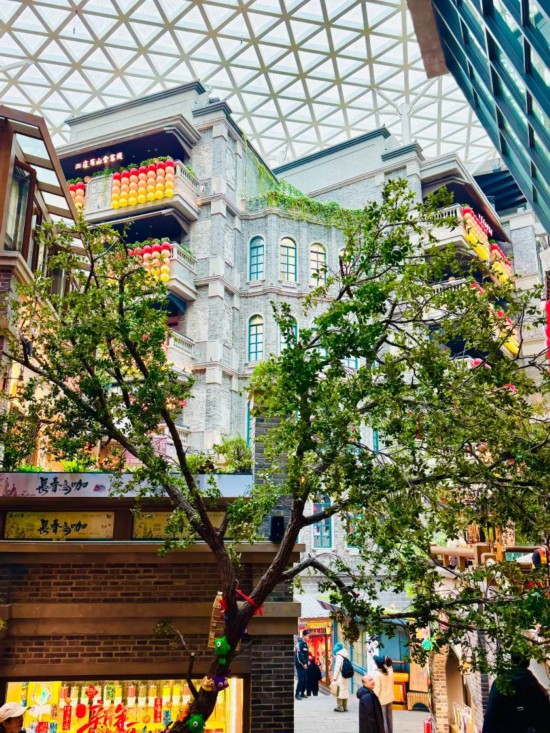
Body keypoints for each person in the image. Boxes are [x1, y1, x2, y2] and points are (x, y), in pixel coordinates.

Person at [482, 655, 550, 733]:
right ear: (528, 662)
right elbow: (545, 718)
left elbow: (490, 716)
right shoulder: (535, 686)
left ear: (511, 661)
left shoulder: (501, 683)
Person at [372, 655, 394, 733]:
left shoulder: (378, 674)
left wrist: (373, 699)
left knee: (383, 719)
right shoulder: (390, 671)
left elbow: (377, 689)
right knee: (389, 718)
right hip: (390, 698)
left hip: (381, 700)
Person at [331, 642, 351, 712]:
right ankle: (345, 706)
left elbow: (337, 667)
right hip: (345, 675)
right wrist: (335, 658)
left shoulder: (339, 656)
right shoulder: (345, 654)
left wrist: (334, 677)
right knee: (345, 690)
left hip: (340, 676)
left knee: (339, 691)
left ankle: (340, 707)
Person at [294, 629, 309, 700]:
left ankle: (302, 693)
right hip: (300, 665)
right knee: (301, 679)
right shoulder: (299, 644)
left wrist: (307, 663)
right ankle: (297, 694)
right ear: (304, 636)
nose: (308, 637)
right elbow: (299, 655)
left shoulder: (305, 643)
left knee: (305, 679)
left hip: (305, 665)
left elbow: (306, 655)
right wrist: (303, 663)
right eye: (307, 636)